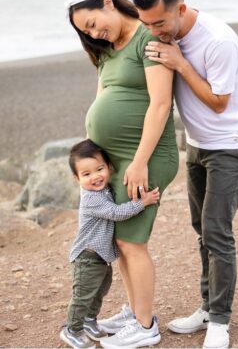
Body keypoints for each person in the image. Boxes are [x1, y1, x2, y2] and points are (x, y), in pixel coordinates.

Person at [131, 0, 238, 349]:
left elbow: (219, 103)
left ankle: (220, 320)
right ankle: (207, 307)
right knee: (201, 227)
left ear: (181, 9)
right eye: (145, 23)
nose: (152, 31)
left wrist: (180, 63)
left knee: (217, 230)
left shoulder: (219, 40)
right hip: (197, 144)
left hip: (232, 144)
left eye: (159, 23)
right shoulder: (160, 33)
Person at [66, 0, 178, 349]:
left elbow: (160, 104)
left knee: (132, 242)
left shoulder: (147, 38)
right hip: (114, 161)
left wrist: (140, 161)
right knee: (122, 240)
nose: (94, 33)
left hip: (145, 156)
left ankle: (145, 326)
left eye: (93, 23)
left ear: (108, 2)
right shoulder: (106, 50)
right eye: (86, 31)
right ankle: (135, 310)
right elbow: (102, 97)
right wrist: (92, 157)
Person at [60, 140, 160, 349]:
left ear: (108, 168)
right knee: (83, 295)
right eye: (86, 174)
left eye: (99, 169)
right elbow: (116, 213)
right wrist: (142, 202)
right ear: (77, 178)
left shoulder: (103, 190)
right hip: (87, 257)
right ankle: (72, 329)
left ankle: (89, 321)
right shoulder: (91, 198)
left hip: (100, 257)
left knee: (99, 291)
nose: (95, 177)